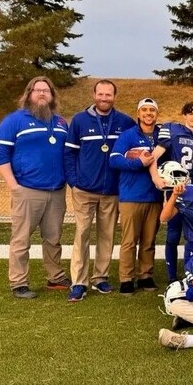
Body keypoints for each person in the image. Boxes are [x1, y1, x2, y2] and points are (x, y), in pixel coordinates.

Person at [0, 76, 71, 299]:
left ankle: (55, 277)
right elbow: (0, 154)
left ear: (52, 95)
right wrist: (13, 185)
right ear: (28, 94)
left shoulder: (60, 123)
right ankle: (19, 282)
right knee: (21, 239)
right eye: (37, 90)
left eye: (46, 90)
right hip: (27, 190)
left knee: (53, 238)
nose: (42, 94)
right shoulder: (14, 121)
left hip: (56, 191)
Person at [64, 80, 136, 301]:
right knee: (82, 234)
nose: (104, 98)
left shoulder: (124, 121)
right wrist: (74, 181)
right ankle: (79, 282)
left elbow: (138, 144)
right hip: (84, 189)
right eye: (101, 94)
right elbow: (69, 154)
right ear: (94, 94)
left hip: (112, 191)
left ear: (115, 96)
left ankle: (100, 278)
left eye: (109, 95)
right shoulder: (79, 120)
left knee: (106, 236)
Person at [149, 101, 193, 282]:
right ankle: (172, 278)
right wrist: (156, 178)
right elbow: (153, 156)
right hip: (177, 189)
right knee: (173, 233)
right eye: (190, 113)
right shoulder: (172, 130)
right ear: (184, 115)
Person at [109, 97, 162, 295]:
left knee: (149, 240)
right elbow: (114, 160)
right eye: (145, 110)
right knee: (130, 240)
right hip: (132, 195)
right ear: (138, 114)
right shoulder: (128, 135)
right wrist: (138, 163)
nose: (149, 114)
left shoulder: (161, 136)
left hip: (155, 196)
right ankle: (126, 278)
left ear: (157, 114)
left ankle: (145, 275)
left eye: (152, 111)